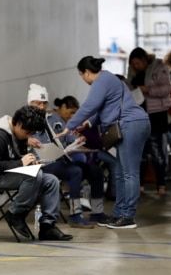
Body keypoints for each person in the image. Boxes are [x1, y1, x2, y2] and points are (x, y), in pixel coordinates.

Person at [56, 56, 150, 229]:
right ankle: (120, 213)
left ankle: (128, 216)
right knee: (121, 173)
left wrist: (69, 126)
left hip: (131, 125)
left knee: (129, 173)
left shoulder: (101, 81)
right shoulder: (109, 79)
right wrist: (87, 123)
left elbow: (89, 105)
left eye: (81, 75)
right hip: (129, 125)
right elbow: (102, 109)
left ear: (86, 72)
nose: (83, 80)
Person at [0, 105, 72, 241]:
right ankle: (16, 213)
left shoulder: (17, 134)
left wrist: (30, 163)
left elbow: (15, 159)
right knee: (34, 175)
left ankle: (47, 226)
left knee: (51, 180)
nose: (29, 136)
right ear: (19, 124)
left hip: (9, 174)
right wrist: (21, 163)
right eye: (28, 133)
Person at [30, 95, 109, 228]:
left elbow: (68, 135)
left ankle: (97, 212)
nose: (42, 107)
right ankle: (75, 214)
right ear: (30, 103)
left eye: (44, 103)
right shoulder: (27, 120)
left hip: (61, 159)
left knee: (96, 171)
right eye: (38, 103)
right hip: (44, 163)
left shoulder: (54, 118)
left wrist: (78, 140)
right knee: (75, 171)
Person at [126, 47, 171, 195]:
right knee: (141, 151)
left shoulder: (159, 68)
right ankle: (140, 184)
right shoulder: (132, 72)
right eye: (133, 64)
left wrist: (147, 90)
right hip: (139, 114)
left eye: (138, 63)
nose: (136, 66)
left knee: (157, 150)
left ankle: (161, 184)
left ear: (145, 60)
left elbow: (166, 89)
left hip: (156, 114)